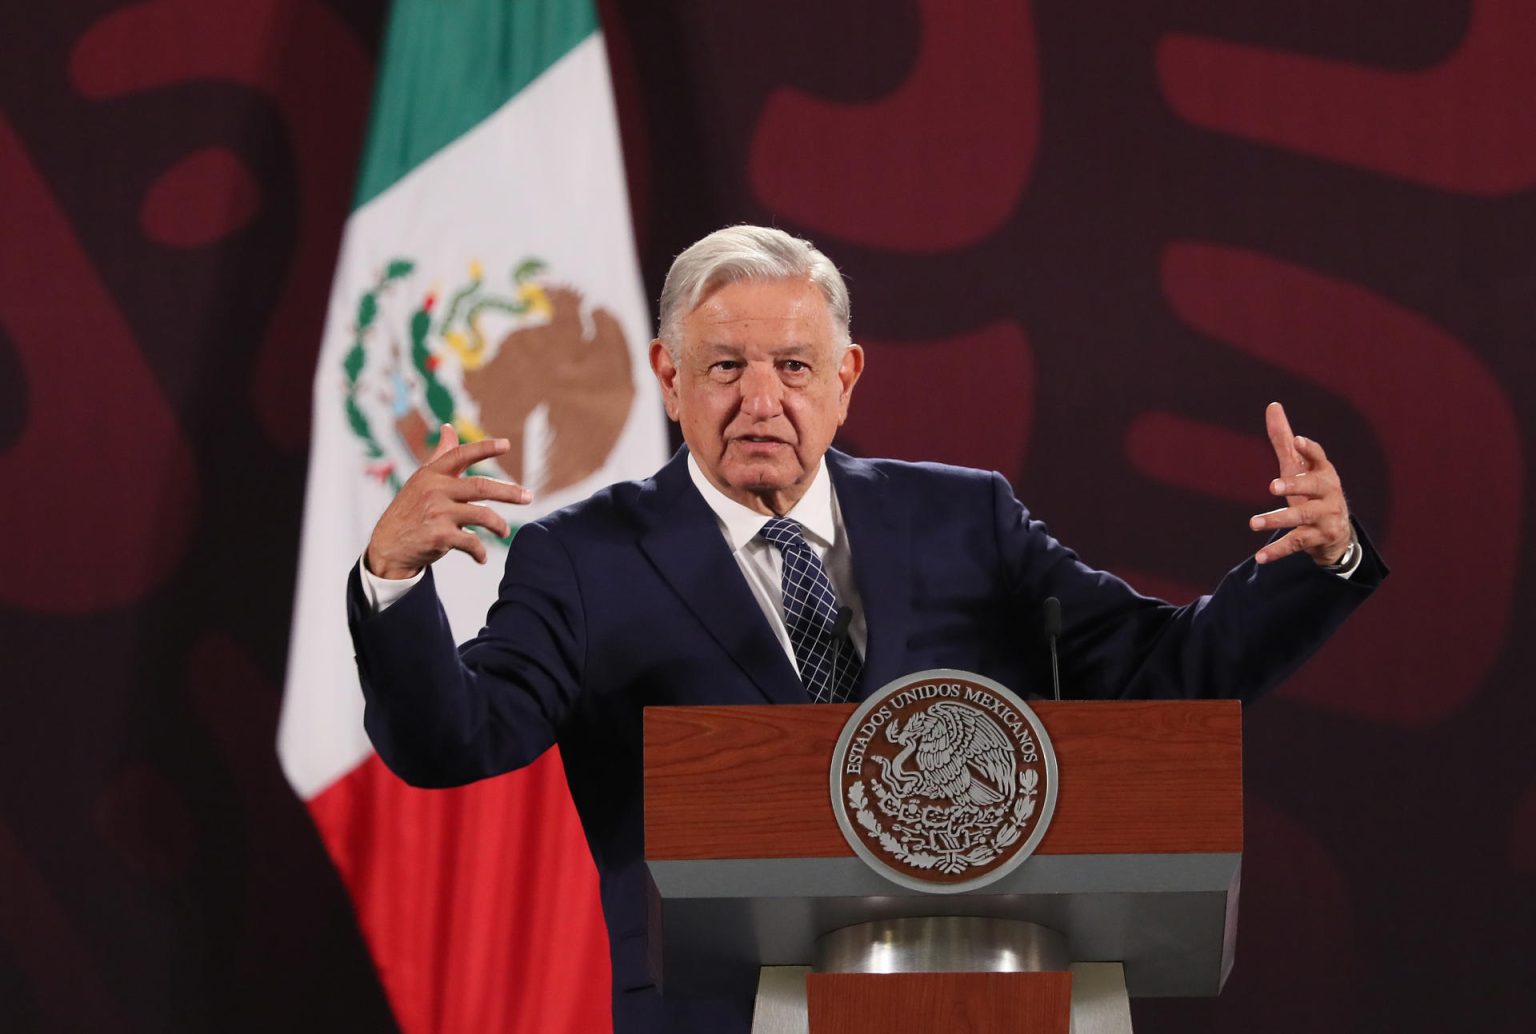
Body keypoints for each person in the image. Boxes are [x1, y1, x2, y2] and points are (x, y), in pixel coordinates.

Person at [348, 225, 1385, 1034]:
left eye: (794, 367)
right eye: (725, 368)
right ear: (667, 376)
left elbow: (1162, 675)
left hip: (988, 997)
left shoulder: (964, 518)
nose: (762, 398)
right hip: (721, 1011)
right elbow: (459, 738)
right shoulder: (586, 554)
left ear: (846, 378)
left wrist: (1314, 562)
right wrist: (394, 582)